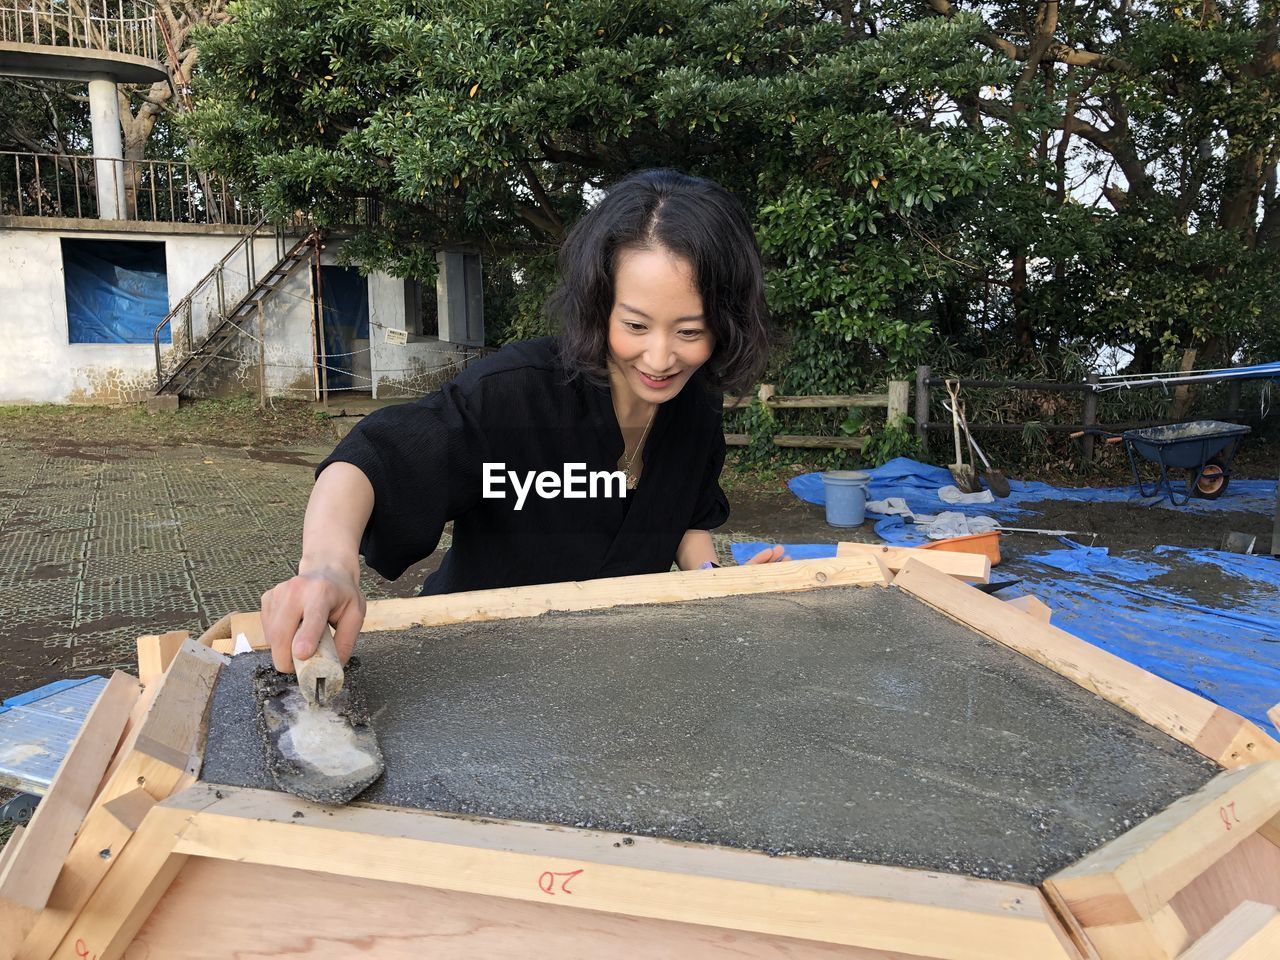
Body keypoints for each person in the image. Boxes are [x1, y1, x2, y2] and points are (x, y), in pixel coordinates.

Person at [263, 168, 784, 674]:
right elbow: (373, 460)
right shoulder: (515, 393)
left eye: (690, 332)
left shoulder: (697, 406)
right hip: (474, 665)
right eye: (635, 325)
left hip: (612, 669)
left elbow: (686, 516)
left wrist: (717, 584)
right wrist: (327, 567)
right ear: (599, 306)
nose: (660, 357)